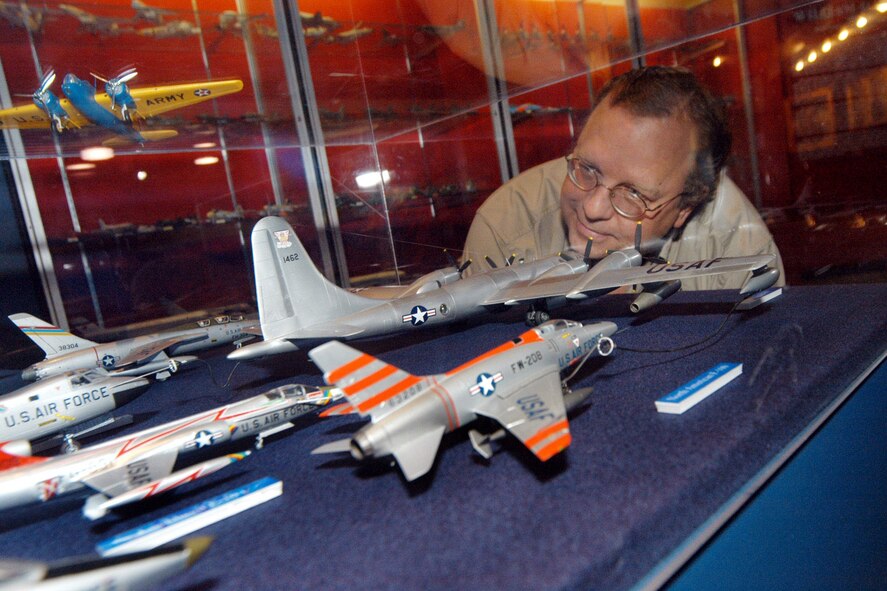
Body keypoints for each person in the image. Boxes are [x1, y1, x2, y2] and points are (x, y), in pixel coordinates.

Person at [462, 66, 784, 290]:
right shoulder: (506, 226)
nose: (593, 207)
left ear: (685, 207)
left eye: (633, 194)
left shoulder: (738, 250)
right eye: (587, 169)